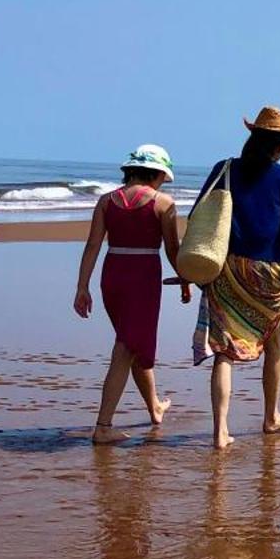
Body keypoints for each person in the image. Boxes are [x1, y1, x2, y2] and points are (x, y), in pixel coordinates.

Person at [188, 106, 280, 450]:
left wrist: (194, 270)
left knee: (225, 351)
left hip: (225, 267)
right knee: (273, 343)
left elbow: (199, 217)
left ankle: (220, 432)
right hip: (269, 270)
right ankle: (271, 418)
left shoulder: (224, 169)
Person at [74, 144, 188, 444]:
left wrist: (82, 286)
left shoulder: (105, 201)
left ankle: (154, 408)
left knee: (134, 343)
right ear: (157, 173)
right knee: (125, 348)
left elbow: (92, 245)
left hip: (112, 275)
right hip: (143, 277)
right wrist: (188, 278)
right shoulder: (164, 203)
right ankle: (103, 426)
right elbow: (173, 250)